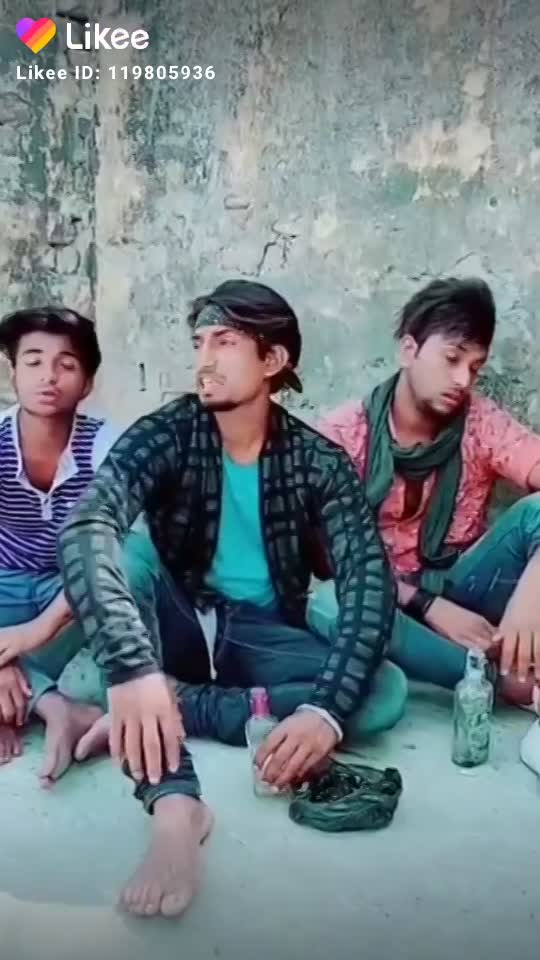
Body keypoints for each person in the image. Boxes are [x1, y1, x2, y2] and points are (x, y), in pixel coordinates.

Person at [58, 279, 406, 919]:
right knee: (126, 562)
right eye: (200, 342)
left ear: (273, 360)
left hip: (256, 635)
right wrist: (133, 669)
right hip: (182, 618)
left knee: (383, 693)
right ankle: (175, 805)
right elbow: (88, 523)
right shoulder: (171, 432)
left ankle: (179, 704)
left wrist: (325, 713)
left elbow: (368, 580)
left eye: (224, 342)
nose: (204, 360)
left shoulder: (318, 461)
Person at [315, 277, 540, 724]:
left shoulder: (480, 422)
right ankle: (499, 678)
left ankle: (507, 654)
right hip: (387, 601)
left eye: (475, 367)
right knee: (330, 603)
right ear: (409, 350)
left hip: (467, 590)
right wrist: (427, 605)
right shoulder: (342, 437)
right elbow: (330, 559)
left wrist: (529, 602)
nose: (463, 380)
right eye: (452, 359)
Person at [0, 306, 146, 784]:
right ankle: (54, 706)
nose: (48, 376)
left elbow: (106, 556)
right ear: (13, 373)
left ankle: (28, 699)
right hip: (5, 587)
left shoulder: (107, 445)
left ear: (86, 384)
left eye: (65, 364)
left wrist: (31, 635)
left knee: (134, 564)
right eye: (33, 362)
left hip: (72, 590)